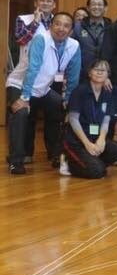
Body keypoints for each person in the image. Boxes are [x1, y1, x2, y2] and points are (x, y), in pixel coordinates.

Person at [8, 12, 80, 174]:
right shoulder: (41, 39)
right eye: (57, 24)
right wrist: (24, 97)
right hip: (20, 85)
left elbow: (74, 76)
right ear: (51, 26)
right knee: (20, 113)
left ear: (71, 31)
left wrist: (68, 99)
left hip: (42, 89)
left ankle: (56, 154)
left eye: (66, 26)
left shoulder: (74, 45)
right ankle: (16, 160)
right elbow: (33, 69)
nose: (61, 28)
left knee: (60, 107)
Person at [7, 0, 57, 165]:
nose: (45, 3)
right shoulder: (24, 19)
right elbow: (21, 40)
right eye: (42, 0)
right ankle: (19, 156)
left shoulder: (58, 23)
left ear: (54, 5)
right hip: (22, 78)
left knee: (56, 108)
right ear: (36, 3)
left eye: (49, 1)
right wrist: (35, 22)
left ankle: (55, 153)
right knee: (23, 114)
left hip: (45, 81)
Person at [63, 59, 117, 178]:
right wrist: (87, 143)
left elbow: (106, 119)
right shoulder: (80, 91)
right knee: (97, 172)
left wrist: (101, 139)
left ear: (108, 75)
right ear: (89, 73)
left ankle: (93, 163)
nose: (99, 72)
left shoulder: (107, 93)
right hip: (77, 141)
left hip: (95, 137)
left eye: (103, 70)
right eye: (96, 69)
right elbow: (73, 119)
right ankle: (69, 161)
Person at [72, 0, 111, 78]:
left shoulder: (112, 27)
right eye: (93, 4)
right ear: (88, 8)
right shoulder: (77, 27)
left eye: (100, 4)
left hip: (103, 75)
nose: (96, 7)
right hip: (81, 73)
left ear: (105, 8)